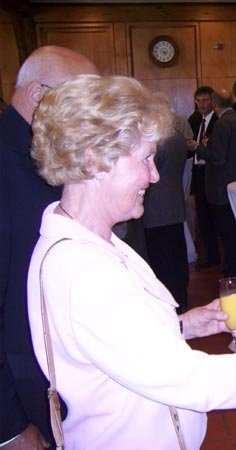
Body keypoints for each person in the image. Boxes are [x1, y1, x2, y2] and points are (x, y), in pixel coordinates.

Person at [26, 74, 236, 449]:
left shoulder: (90, 241)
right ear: (94, 160)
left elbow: (120, 344)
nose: (154, 175)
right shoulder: (84, 270)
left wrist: (183, 325)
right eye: (145, 159)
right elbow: (185, 379)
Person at [0, 45, 98, 450]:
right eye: (80, 97)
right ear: (39, 94)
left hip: (62, 370)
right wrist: (8, 427)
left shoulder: (47, 153)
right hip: (23, 385)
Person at [195, 89, 236, 285]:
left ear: (214, 103)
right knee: (235, 233)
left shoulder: (222, 123)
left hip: (221, 186)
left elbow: (217, 157)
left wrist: (198, 148)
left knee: (229, 235)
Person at [142, 115, 190, 313]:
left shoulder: (158, 143)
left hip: (155, 209)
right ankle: (182, 298)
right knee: (177, 257)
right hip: (174, 205)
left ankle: (169, 304)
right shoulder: (178, 137)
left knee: (162, 262)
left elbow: (149, 176)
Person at [188, 86, 220, 269]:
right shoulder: (196, 120)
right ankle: (210, 256)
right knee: (202, 216)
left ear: (213, 101)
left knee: (214, 217)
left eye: (205, 100)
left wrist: (201, 146)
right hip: (199, 172)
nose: (202, 104)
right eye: (199, 101)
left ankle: (217, 256)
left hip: (212, 173)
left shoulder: (217, 121)